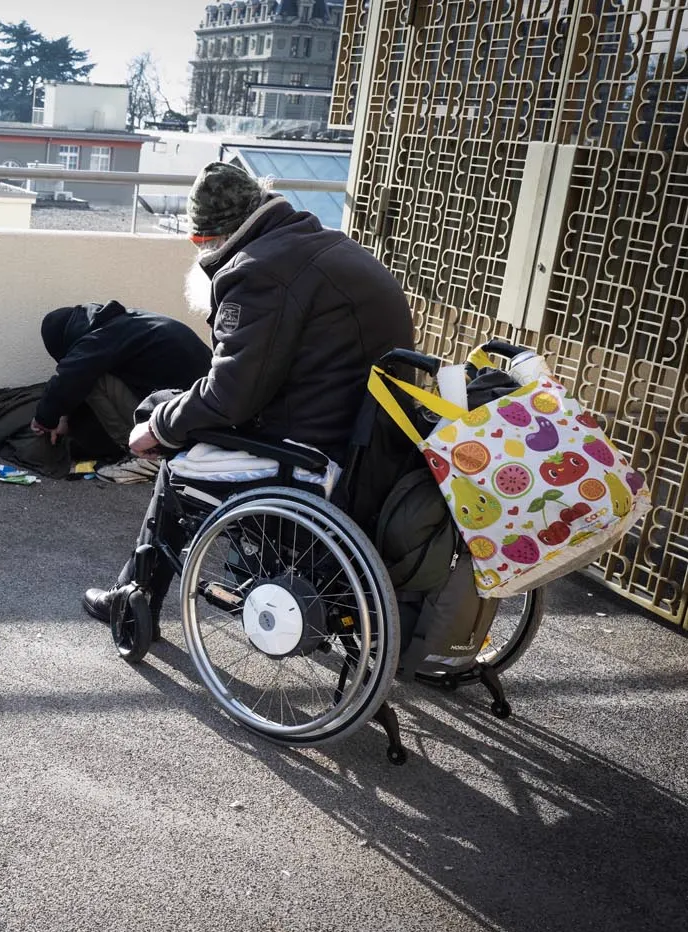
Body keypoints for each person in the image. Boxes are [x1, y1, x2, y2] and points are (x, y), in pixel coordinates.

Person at [80, 162, 416, 623]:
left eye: (199, 242)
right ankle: (138, 586)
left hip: (313, 458)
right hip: (370, 449)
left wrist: (156, 430)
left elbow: (230, 395)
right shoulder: (327, 246)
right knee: (167, 411)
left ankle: (134, 598)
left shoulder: (258, 271)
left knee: (172, 452)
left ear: (211, 237)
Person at [28, 301, 211, 483]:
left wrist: (44, 419)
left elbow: (72, 375)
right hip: (204, 414)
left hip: (180, 424)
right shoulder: (128, 322)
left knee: (96, 376)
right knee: (90, 372)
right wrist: (64, 415)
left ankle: (143, 455)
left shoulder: (100, 338)